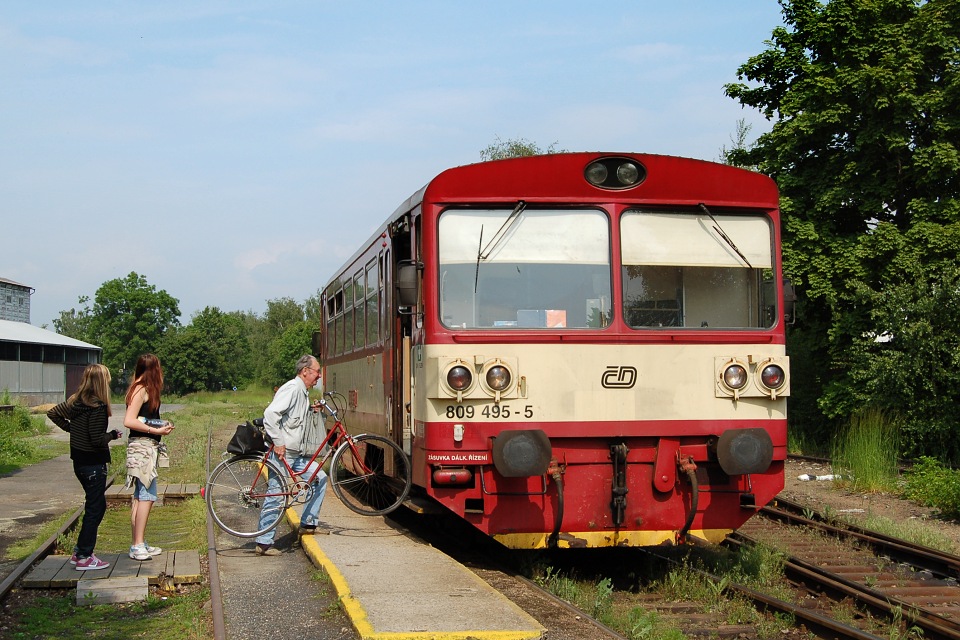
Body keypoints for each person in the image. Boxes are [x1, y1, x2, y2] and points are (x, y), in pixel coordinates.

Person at [47, 364, 122, 571]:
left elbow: (53, 413)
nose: (109, 381)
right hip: (93, 464)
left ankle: (81, 551)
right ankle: (83, 555)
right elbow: (97, 440)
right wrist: (113, 435)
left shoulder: (76, 402)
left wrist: (73, 430)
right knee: (95, 509)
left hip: (79, 462)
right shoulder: (96, 407)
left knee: (94, 506)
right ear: (101, 382)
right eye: (107, 378)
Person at [255, 354, 328, 556]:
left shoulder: (302, 392)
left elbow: (292, 417)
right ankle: (263, 543)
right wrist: (278, 443)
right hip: (284, 453)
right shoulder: (293, 388)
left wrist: (311, 409)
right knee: (277, 494)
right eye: (316, 372)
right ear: (305, 371)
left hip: (297, 453)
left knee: (320, 478)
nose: (318, 377)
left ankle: (308, 523)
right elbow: (270, 415)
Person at [123, 353, 174, 561]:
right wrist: (156, 432)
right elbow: (129, 421)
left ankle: (139, 542)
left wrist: (159, 425)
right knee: (146, 496)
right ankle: (137, 545)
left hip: (147, 446)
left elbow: (144, 418)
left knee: (140, 496)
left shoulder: (141, 388)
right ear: (154, 370)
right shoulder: (141, 389)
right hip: (142, 448)